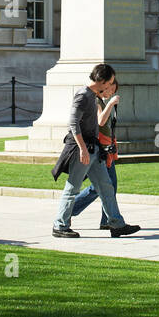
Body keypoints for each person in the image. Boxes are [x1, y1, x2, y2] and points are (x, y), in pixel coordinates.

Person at [52, 64, 140, 238]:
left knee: (106, 186)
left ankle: (116, 224)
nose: (111, 87)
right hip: (83, 150)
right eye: (110, 82)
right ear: (102, 81)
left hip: (94, 149)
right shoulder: (83, 95)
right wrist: (83, 149)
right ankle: (60, 226)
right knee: (72, 188)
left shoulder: (92, 96)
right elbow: (73, 124)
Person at [70, 78, 120, 229]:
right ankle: (70, 209)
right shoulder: (96, 101)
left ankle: (106, 220)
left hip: (105, 148)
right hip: (99, 150)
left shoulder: (100, 101)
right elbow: (100, 121)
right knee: (103, 185)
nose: (112, 93)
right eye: (111, 89)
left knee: (107, 184)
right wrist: (111, 104)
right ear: (105, 85)